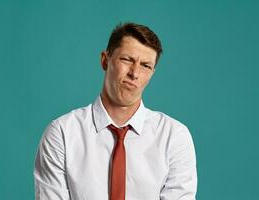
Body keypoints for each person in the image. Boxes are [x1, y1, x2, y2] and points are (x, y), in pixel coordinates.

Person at [34, 22, 197, 200]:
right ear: (105, 60)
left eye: (146, 66)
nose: (134, 73)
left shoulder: (174, 137)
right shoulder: (62, 133)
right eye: (127, 59)